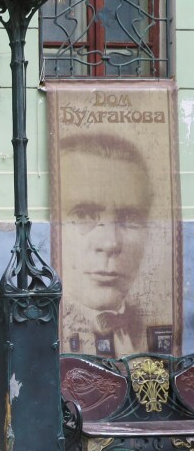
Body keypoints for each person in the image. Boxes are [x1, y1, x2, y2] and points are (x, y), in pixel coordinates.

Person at [58, 133, 157, 356]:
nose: (110, 243)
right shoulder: (41, 328)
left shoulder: (146, 325)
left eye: (130, 218)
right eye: (83, 214)